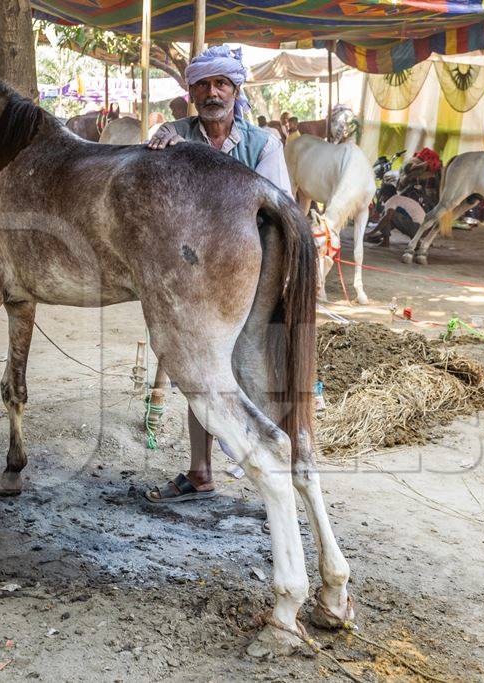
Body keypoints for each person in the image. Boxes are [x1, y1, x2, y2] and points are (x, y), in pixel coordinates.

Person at [143, 45, 291, 503]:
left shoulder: (263, 144)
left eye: (221, 84)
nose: (212, 93)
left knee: (251, 370)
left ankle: (276, 473)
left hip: (249, 274)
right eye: (203, 85)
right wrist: (162, 144)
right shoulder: (173, 137)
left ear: (235, 90)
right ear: (190, 92)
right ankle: (201, 471)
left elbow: (279, 212)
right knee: (197, 373)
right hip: (191, 276)